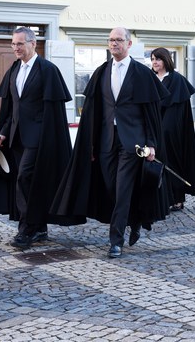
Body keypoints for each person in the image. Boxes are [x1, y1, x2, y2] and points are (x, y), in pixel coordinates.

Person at [51, 27, 170, 258]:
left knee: (123, 189)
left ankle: (116, 241)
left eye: (118, 40)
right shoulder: (101, 72)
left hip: (133, 143)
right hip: (106, 141)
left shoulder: (141, 73)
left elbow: (151, 113)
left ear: (129, 43)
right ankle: (135, 219)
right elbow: (93, 112)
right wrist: (90, 144)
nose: (114, 44)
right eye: (111, 40)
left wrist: (151, 144)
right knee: (112, 189)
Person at [0, 27, 72, 249]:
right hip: (17, 137)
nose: (15, 48)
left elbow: (54, 112)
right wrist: (3, 131)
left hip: (40, 139)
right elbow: (10, 108)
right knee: (30, 183)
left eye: (20, 43)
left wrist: (49, 139)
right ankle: (39, 227)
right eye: (13, 44)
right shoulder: (14, 70)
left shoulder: (47, 70)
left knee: (24, 179)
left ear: (32, 43)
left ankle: (26, 230)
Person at [150, 47, 195, 211]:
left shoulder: (177, 80)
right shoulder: (151, 78)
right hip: (153, 129)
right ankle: (160, 198)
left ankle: (177, 198)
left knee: (173, 163)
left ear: (166, 60)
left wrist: (164, 131)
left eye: (157, 59)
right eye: (152, 59)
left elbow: (177, 111)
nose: (154, 62)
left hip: (172, 132)